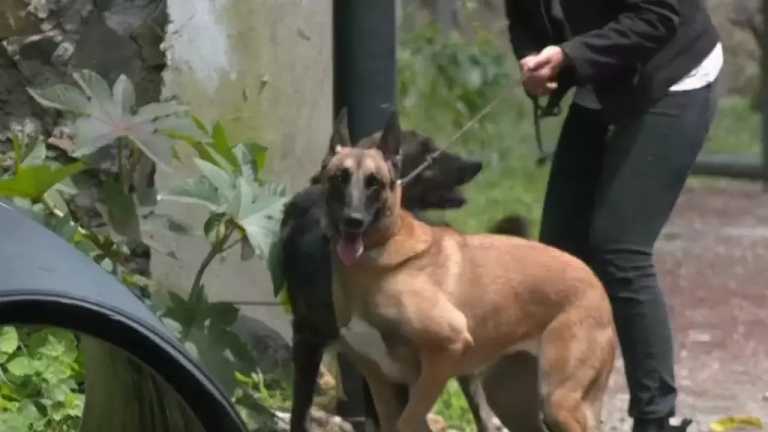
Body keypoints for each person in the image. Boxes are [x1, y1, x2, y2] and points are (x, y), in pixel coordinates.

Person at [502, 1, 722, 431]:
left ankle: (656, 417)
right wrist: (535, 61)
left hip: (672, 75)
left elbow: (658, 15)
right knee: (556, 259)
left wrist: (570, 56)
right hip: (603, 78)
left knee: (619, 247)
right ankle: (565, 412)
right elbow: (525, 17)